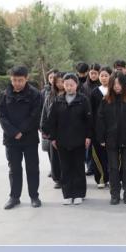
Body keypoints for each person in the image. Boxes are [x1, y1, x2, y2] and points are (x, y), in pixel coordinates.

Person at [0, 66, 44, 209]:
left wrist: (21, 131)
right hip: (11, 139)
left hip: (29, 138)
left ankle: (34, 196)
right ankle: (14, 197)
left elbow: (35, 115)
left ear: (26, 78)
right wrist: (13, 132)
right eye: (14, 80)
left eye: (20, 80)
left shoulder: (35, 94)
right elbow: (1, 116)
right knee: (14, 169)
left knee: (32, 168)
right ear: (10, 79)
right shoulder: (4, 94)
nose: (17, 83)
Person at [43, 74, 92, 205]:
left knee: (78, 167)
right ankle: (68, 194)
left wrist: (88, 136)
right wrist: (52, 138)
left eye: (71, 85)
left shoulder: (83, 100)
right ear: (63, 85)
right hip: (62, 140)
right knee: (65, 167)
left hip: (79, 140)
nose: (69, 87)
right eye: (66, 85)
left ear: (77, 85)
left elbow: (89, 121)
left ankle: (79, 193)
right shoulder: (57, 101)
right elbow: (51, 121)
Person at [96, 72, 126, 205]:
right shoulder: (105, 100)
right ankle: (114, 194)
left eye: (119, 83)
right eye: (114, 84)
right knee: (113, 168)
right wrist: (101, 138)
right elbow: (100, 120)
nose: (117, 86)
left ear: (124, 85)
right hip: (111, 139)